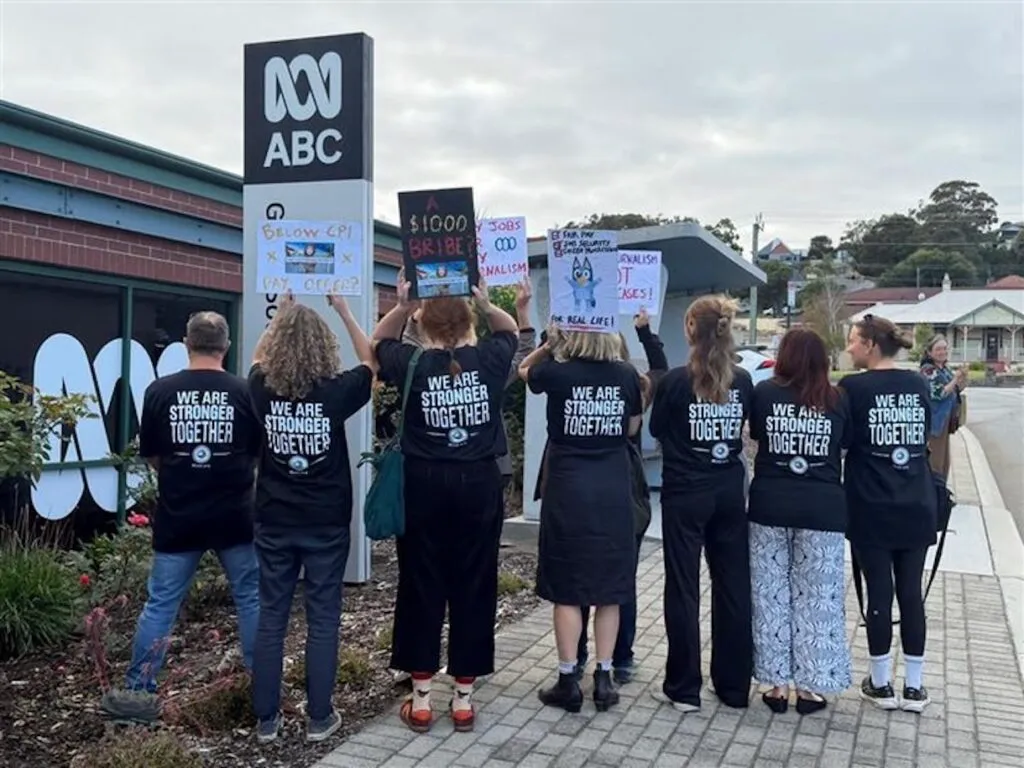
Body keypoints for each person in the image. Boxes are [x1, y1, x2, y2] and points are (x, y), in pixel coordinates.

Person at [373, 275, 518, 733]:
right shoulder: (490, 359)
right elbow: (511, 330)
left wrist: (402, 305)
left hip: (424, 486)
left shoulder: (412, 362)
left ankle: (419, 700)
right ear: (467, 325)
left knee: (420, 584)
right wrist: (483, 302)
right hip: (478, 485)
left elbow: (378, 341)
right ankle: (462, 699)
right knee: (475, 583)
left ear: (425, 326)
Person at [100, 312, 261, 724]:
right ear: (225, 346)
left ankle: (139, 692)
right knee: (250, 597)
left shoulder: (159, 391)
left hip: (179, 515)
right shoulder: (245, 392)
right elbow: (256, 453)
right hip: (235, 516)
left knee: (161, 605)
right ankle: (260, 683)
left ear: (187, 344)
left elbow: (153, 455)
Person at [248, 292, 375, 743]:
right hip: (325, 522)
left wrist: (279, 317)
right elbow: (371, 361)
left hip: (274, 520)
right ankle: (319, 718)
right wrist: (343, 311)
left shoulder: (261, 387)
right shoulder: (335, 392)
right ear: (324, 346)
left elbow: (258, 357)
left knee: (271, 617)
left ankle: (267, 720)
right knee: (323, 618)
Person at [519, 326, 643, 713]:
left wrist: (549, 345)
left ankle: (568, 678)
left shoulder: (558, 371)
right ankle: (604, 679)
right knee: (611, 586)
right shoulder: (625, 374)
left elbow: (524, 370)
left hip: (568, 489)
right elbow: (633, 427)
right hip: (612, 488)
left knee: (568, 586)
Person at [648, 294, 754, 712]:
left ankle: (684, 687)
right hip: (729, 490)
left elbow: (656, 429)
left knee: (683, 587)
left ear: (691, 329)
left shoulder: (675, 382)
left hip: (685, 493)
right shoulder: (742, 380)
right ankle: (733, 687)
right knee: (733, 587)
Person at [748, 328, 852, 715]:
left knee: (771, 594)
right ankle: (811, 687)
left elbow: (757, 434)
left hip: (770, 503)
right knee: (818, 598)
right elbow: (845, 445)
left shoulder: (764, 394)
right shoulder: (837, 398)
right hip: (823, 508)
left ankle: (775, 685)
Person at [841, 313, 936, 713]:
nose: (848, 347)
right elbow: (926, 434)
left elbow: (844, 440)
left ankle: (881, 682)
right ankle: (914, 685)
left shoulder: (852, 388)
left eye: (853, 340)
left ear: (870, 345)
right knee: (911, 593)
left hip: (871, 503)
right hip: (917, 500)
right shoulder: (918, 384)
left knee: (879, 591)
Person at [575, 308, 669, 685]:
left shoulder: (575, 383)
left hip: (580, 489)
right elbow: (661, 370)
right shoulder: (635, 384)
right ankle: (622, 656)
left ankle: (577, 652)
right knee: (620, 578)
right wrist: (646, 333)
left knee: (578, 575)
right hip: (626, 491)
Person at [919, 335, 966, 479]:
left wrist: (962, 378)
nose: (942, 352)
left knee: (945, 461)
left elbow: (956, 389)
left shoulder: (944, 369)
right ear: (929, 352)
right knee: (936, 461)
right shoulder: (928, 370)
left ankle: (941, 492)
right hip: (935, 421)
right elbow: (939, 393)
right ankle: (934, 494)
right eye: (938, 349)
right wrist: (955, 380)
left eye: (945, 348)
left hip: (945, 421)